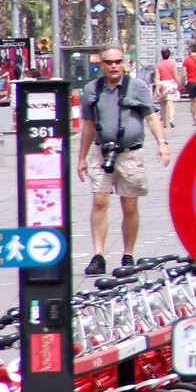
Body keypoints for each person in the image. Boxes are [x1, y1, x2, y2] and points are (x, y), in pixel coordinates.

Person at [76, 46, 172, 273]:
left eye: (118, 61)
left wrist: (162, 143)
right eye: (109, 62)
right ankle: (98, 255)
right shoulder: (92, 90)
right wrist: (82, 157)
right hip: (101, 152)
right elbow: (88, 126)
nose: (114, 66)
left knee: (129, 204)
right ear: (101, 64)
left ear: (124, 62)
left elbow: (151, 117)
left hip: (130, 153)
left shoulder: (137, 87)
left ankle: (128, 254)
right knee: (100, 201)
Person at [154, 48, 182, 127]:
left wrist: (157, 87)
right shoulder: (173, 64)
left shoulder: (158, 65)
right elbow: (176, 75)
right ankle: (171, 119)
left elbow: (157, 77)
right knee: (170, 102)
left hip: (162, 84)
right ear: (169, 55)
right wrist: (180, 84)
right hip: (171, 83)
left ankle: (164, 122)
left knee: (162, 104)